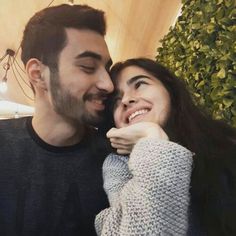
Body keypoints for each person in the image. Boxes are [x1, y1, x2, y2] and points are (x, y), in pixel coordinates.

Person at [0, 4, 114, 236]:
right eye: (88, 67)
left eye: (107, 68)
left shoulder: (114, 160)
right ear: (38, 74)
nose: (108, 84)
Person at [95, 58, 236, 236]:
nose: (126, 100)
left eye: (139, 84)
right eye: (116, 100)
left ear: (168, 88)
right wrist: (153, 138)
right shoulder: (117, 166)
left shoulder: (217, 135)